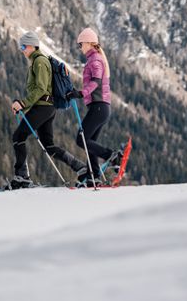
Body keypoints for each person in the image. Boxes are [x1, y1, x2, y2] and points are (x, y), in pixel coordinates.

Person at [10, 31, 85, 189]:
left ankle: (21, 177)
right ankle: (80, 167)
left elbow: (41, 89)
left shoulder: (39, 62)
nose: (22, 49)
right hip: (46, 108)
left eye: (23, 46)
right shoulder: (37, 61)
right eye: (20, 47)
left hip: (43, 107)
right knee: (49, 146)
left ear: (32, 45)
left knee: (18, 137)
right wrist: (23, 104)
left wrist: (23, 104)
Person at [66, 27, 122, 187]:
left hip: (99, 107)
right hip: (100, 108)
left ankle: (112, 155)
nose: (80, 47)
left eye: (81, 44)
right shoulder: (95, 59)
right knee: (89, 141)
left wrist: (81, 93)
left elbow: (96, 81)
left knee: (81, 139)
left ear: (90, 43)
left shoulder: (95, 59)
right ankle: (94, 176)